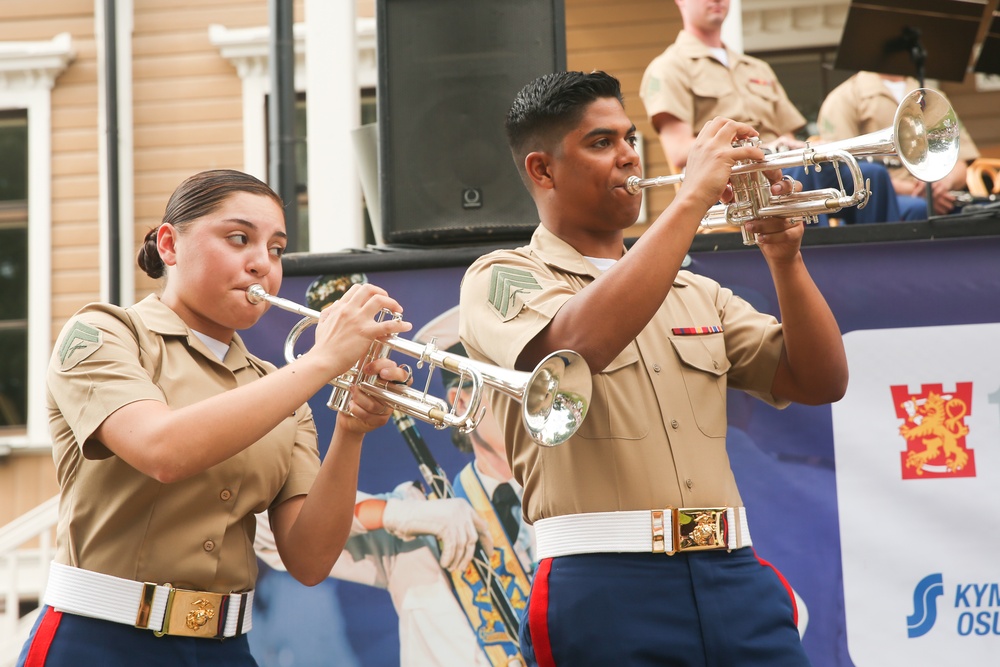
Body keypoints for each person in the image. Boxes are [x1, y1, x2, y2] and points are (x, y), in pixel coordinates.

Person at [458, 70, 848, 666]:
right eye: (601, 143)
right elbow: (575, 348)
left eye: (631, 139)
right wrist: (690, 198)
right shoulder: (500, 276)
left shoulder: (695, 288)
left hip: (734, 573)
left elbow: (820, 381)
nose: (628, 157)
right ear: (542, 170)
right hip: (602, 585)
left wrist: (785, 258)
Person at [17, 169, 412, 666]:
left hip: (226, 649)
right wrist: (323, 361)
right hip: (99, 641)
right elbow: (162, 451)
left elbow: (310, 560)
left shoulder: (280, 386)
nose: (261, 264)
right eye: (239, 238)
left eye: (275, 249)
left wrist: (351, 431)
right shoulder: (104, 333)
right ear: (169, 245)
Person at [254, 305, 535, 667]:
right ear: (463, 402)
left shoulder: (569, 506)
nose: (528, 407)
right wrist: (396, 513)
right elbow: (265, 530)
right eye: (512, 392)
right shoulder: (420, 511)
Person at [639, 0, 903, 225]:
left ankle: (883, 266)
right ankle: (816, 265)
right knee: (797, 177)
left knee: (871, 175)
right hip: (732, 183)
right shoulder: (669, 67)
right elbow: (679, 149)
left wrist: (792, 146)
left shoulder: (757, 68)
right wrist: (758, 149)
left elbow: (785, 134)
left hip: (777, 164)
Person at [817, 70, 981, 218]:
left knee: (984, 212)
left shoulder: (932, 95)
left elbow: (960, 160)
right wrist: (920, 192)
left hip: (941, 194)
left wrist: (943, 185)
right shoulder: (844, 97)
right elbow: (841, 169)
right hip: (882, 198)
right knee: (920, 209)